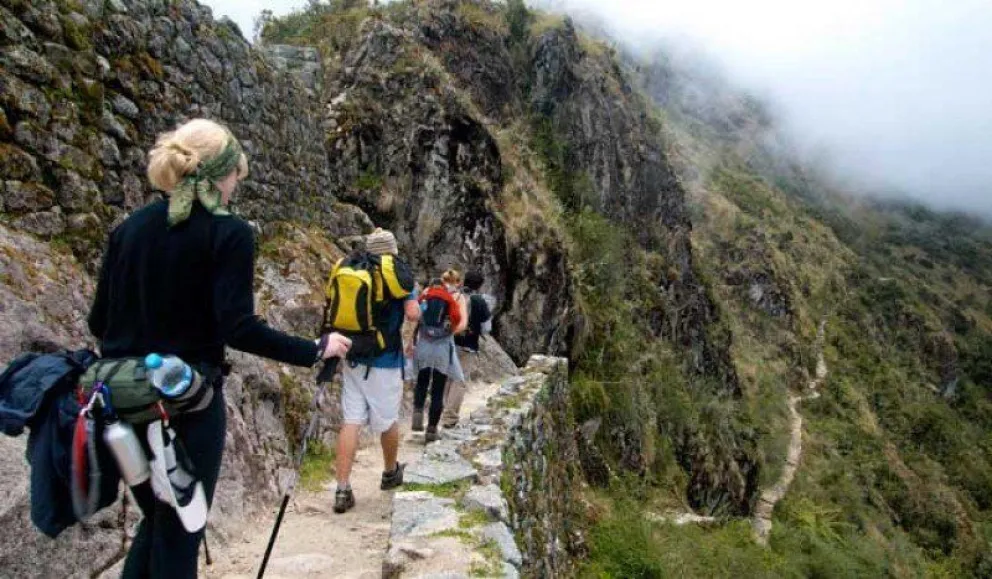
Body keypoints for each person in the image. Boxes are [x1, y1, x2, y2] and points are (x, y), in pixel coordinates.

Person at [87, 118, 351, 578]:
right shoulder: (229, 233)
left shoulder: (128, 229)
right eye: (234, 178)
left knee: (160, 522)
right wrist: (314, 348)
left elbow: (97, 321)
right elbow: (239, 329)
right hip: (186, 404)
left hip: (123, 401)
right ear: (218, 174)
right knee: (181, 529)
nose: (235, 188)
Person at [333, 228, 419, 514]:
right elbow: (412, 314)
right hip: (384, 360)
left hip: (353, 356)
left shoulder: (352, 268)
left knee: (351, 421)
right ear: (392, 251)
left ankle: (343, 489)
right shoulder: (398, 276)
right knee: (388, 421)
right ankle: (390, 472)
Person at [412, 270, 467, 442]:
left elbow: (415, 317)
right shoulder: (453, 298)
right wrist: (447, 331)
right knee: (438, 389)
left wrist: (411, 340)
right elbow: (459, 320)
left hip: (423, 345)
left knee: (422, 381)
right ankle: (432, 429)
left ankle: (418, 414)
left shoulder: (425, 295)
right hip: (442, 349)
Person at [441, 269, 493, 428]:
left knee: (447, 377)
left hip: (447, 341)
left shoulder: (454, 295)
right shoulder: (479, 301)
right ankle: (450, 418)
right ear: (480, 285)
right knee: (459, 380)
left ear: (464, 280)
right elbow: (486, 329)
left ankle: (443, 409)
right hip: (467, 346)